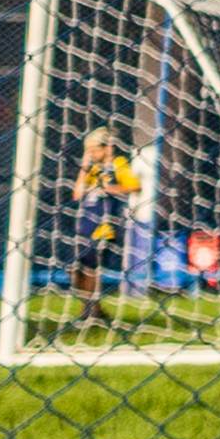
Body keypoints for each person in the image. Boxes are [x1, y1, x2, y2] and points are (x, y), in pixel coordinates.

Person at [62, 123, 139, 326]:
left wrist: (111, 188)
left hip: (104, 226)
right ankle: (92, 308)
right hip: (85, 224)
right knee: (76, 268)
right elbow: (77, 194)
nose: (91, 154)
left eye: (94, 149)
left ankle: (90, 310)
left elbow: (134, 186)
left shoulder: (119, 164)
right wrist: (85, 167)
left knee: (90, 267)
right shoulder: (93, 169)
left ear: (107, 148)